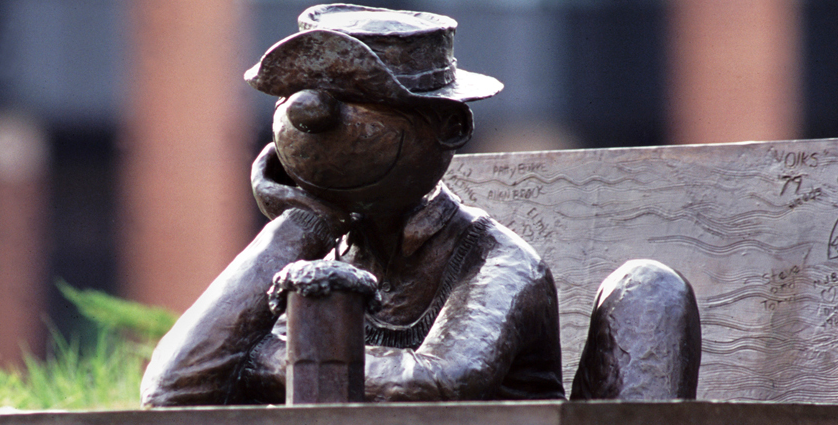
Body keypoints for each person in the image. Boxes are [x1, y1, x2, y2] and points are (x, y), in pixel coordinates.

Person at [140, 4, 698, 406]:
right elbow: (173, 388)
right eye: (300, 95)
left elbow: (438, 382)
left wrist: (254, 359)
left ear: (448, 127)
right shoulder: (322, 255)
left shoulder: (500, 266)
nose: (312, 113)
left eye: (360, 101)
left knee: (647, 285)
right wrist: (299, 226)